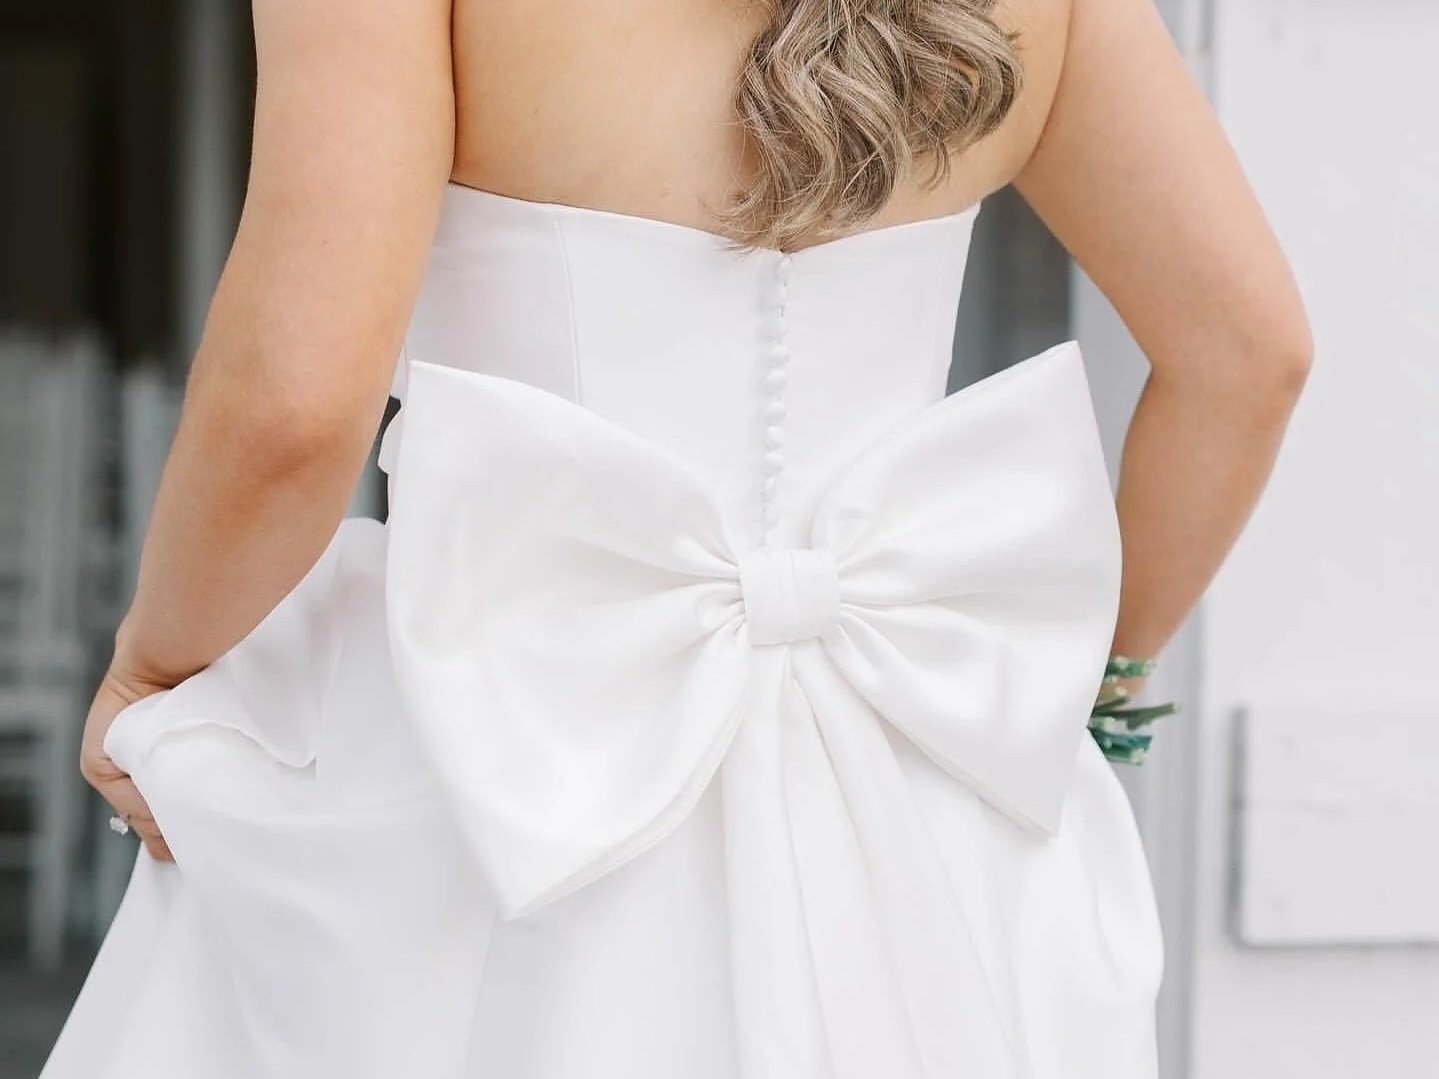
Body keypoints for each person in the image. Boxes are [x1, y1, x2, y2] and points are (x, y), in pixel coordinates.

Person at [43, 0, 1311, 1075]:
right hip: (928, 794)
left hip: (500, 766)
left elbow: (294, 405)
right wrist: (1057, 688)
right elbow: (1245, 353)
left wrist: (158, 664)